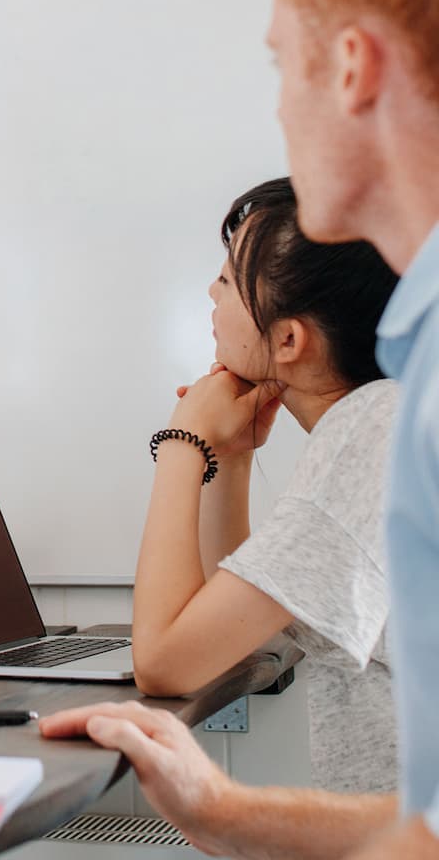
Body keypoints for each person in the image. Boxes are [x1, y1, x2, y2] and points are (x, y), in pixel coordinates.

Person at [43, 0, 439, 859]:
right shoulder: (408, 390)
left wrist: (183, 444)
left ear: (350, 66)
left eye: (280, 62)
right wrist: (220, 811)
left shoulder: (395, 421)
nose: (276, 103)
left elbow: (170, 656)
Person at [132, 177, 398, 795]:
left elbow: (165, 662)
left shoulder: (369, 432)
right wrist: (231, 454)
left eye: (227, 280)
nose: (210, 291)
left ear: (287, 339)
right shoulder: (383, 420)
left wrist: (181, 445)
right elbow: (230, 638)